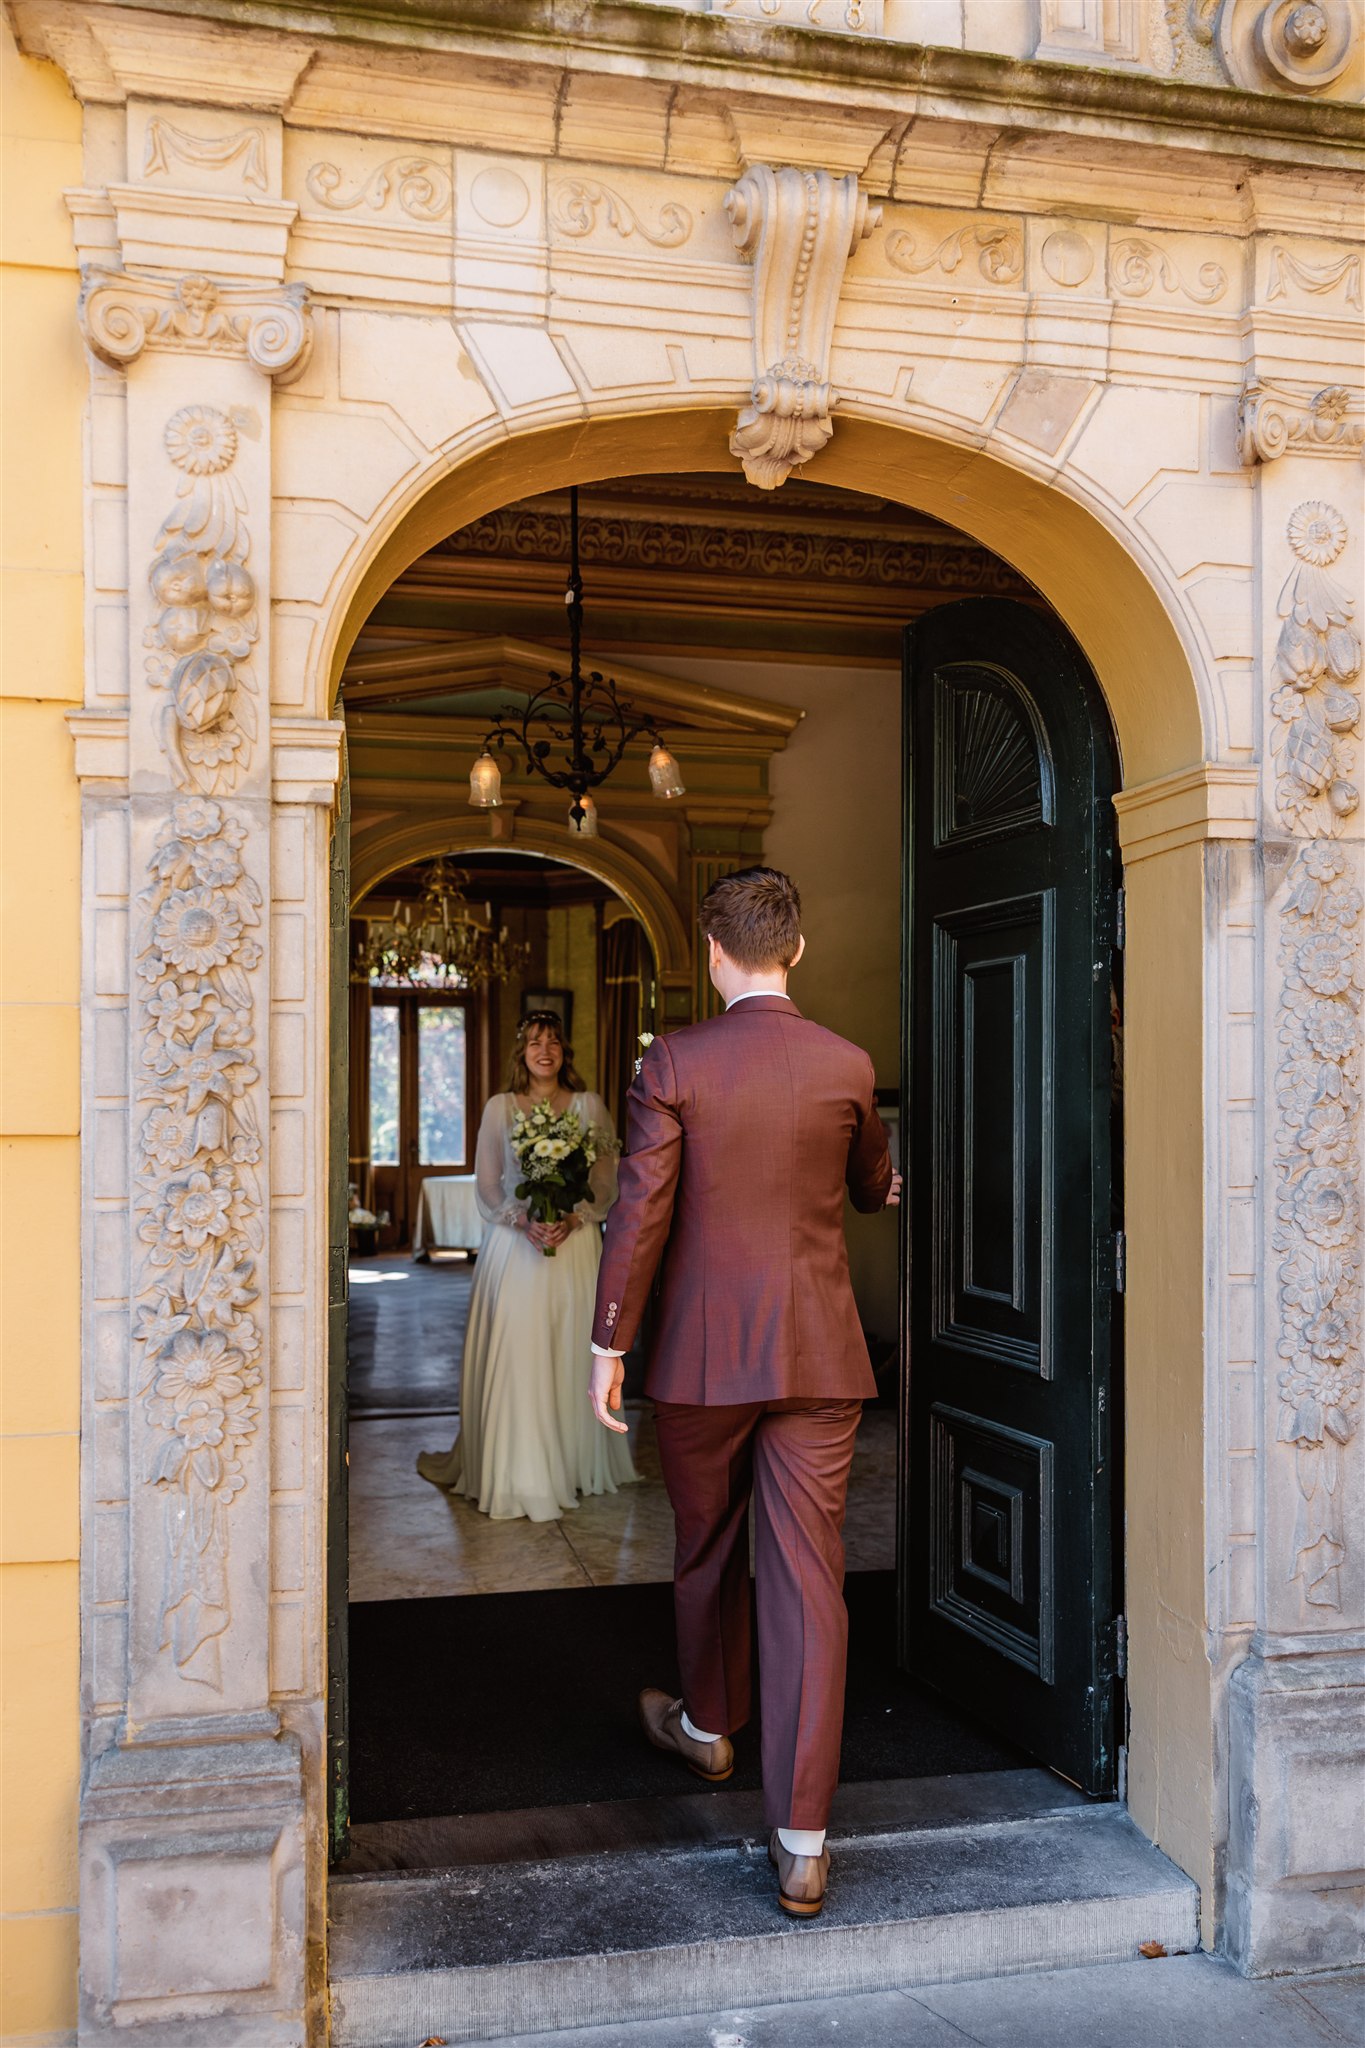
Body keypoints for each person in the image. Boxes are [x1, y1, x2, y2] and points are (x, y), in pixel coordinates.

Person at [587, 868, 899, 1918]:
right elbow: (867, 1185)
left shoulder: (671, 1060)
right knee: (811, 1572)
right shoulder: (849, 1064)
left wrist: (607, 1342)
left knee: (708, 1542)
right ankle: (803, 1840)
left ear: (712, 953)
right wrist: (878, 1181)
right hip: (818, 1352)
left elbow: (641, 1212)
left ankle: (710, 1726)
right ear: (795, 951)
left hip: (705, 1358)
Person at [419, 1011, 638, 1521]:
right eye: (535, 1042)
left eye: (554, 1042)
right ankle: (515, 1469)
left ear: (565, 1052)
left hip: (574, 1248)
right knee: (519, 1352)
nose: (545, 1050)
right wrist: (523, 1220)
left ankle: (574, 1463)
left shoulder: (589, 1107)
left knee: (568, 1350)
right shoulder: (501, 1108)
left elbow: (606, 1178)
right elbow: (489, 1182)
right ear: (521, 1052)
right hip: (514, 1249)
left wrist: (577, 1216)